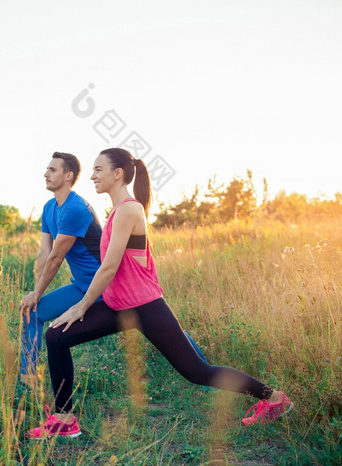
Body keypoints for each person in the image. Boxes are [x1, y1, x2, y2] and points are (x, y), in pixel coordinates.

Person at [25, 148, 293, 439]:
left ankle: (274, 398)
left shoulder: (129, 209)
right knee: (56, 336)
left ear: (118, 174)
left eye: (98, 169)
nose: (91, 175)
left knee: (196, 371)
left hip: (145, 306)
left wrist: (81, 306)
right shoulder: (116, 212)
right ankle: (65, 421)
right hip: (119, 306)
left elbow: (109, 267)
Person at [18, 152, 103, 388]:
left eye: (52, 170)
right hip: (81, 286)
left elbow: (56, 258)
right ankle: (26, 384)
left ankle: (203, 368)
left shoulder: (76, 209)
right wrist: (36, 293)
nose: (45, 173)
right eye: (47, 169)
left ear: (68, 176)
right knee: (32, 312)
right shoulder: (49, 207)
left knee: (154, 322)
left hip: (105, 287)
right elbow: (44, 253)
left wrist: (36, 293)